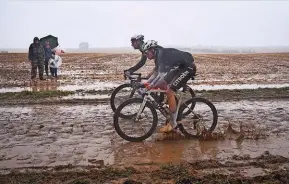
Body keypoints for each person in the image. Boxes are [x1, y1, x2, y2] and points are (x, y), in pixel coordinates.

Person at [141, 40, 196, 132]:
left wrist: (151, 85)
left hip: (188, 67)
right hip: (180, 68)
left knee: (169, 91)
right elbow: (157, 73)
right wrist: (149, 82)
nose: (146, 55)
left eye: (146, 53)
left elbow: (160, 74)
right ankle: (173, 103)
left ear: (152, 49)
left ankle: (173, 124)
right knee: (163, 83)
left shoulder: (160, 54)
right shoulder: (159, 54)